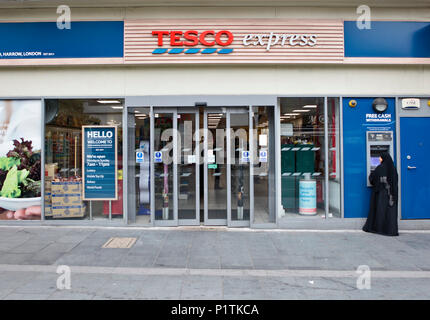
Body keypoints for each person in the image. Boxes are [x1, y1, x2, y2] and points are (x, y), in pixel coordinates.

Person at [363, 152, 399, 236]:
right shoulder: (393, 168)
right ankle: (390, 230)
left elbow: (372, 179)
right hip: (391, 194)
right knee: (390, 212)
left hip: (381, 194)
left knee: (380, 211)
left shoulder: (379, 168)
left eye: (380, 157)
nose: (379, 159)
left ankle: (380, 228)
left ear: (383, 158)